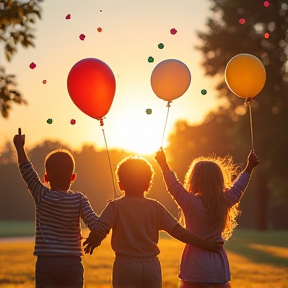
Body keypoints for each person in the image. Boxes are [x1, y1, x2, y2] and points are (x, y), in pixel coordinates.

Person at [83, 155, 222, 288]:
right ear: (148, 184)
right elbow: (178, 231)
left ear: (120, 185)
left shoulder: (115, 206)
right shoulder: (156, 207)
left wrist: (95, 239)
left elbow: (101, 228)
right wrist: (203, 243)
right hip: (152, 265)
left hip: (125, 265)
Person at [154, 148, 259, 288]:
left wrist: (163, 164)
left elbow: (173, 185)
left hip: (193, 269)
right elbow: (239, 187)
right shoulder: (225, 201)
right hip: (218, 269)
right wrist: (249, 168)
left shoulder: (189, 202)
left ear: (194, 179)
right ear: (219, 180)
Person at [13, 128, 99, 288]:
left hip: (46, 263)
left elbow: (27, 170)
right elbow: (95, 224)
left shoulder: (41, 194)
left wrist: (19, 147)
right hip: (72, 264)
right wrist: (97, 235)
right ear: (73, 177)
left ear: (45, 178)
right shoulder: (79, 199)